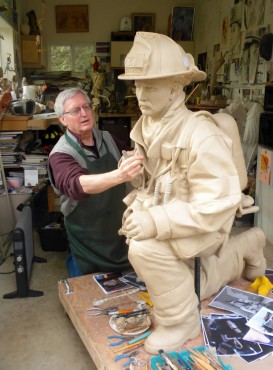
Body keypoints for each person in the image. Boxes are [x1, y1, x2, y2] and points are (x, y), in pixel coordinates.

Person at [118, 32, 266, 354]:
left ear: (175, 87)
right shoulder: (147, 125)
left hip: (205, 221)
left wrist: (155, 221)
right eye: (137, 85)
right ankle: (249, 245)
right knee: (140, 240)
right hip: (176, 215)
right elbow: (156, 181)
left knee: (145, 249)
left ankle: (179, 321)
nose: (140, 93)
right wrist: (136, 171)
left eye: (150, 85)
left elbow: (216, 202)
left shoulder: (200, 134)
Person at [48, 87, 143, 277]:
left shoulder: (107, 138)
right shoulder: (60, 154)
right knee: (85, 294)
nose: (84, 113)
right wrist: (120, 175)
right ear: (62, 119)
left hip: (117, 232)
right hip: (86, 240)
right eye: (76, 110)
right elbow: (77, 185)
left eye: (87, 107)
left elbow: (131, 154)